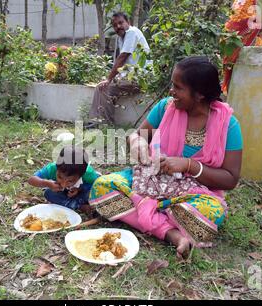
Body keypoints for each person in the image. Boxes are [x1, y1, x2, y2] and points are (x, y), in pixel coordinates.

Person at [89, 57, 243, 259]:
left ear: (199, 95)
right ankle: (171, 232)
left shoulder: (228, 125)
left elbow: (230, 179)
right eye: (173, 85)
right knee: (101, 187)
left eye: (178, 87)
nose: (172, 91)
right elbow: (137, 135)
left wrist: (189, 165)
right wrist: (138, 143)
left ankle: (143, 211)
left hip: (194, 193)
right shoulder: (165, 107)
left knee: (209, 213)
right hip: (149, 181)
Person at [87, 12, 151, 127]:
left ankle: (103, 123)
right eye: (115, 25)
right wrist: (112, 78)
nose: (118, 26)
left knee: (105, 87)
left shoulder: (131, 32)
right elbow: (124, 64)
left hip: (141, 78)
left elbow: (122, 58)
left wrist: (109, 79)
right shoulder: (122, 38)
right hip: (134, 77)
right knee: (102, 87)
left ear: (128, 22)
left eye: (121, 23)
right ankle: (96, 121)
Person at [28, 146, 99, 213]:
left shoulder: (89, 174)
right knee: (49, 194)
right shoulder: (52, 168)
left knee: (93, 193)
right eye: (60, 177)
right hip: (64, 193)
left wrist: (79, 189)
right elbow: (31, 180)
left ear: (81, 175)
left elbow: (95, 186)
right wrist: (47, 183)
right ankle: (78, 206)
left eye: (70, 181)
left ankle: (74, 203)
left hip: (82, 193)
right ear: (57, 167)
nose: (63, 184)